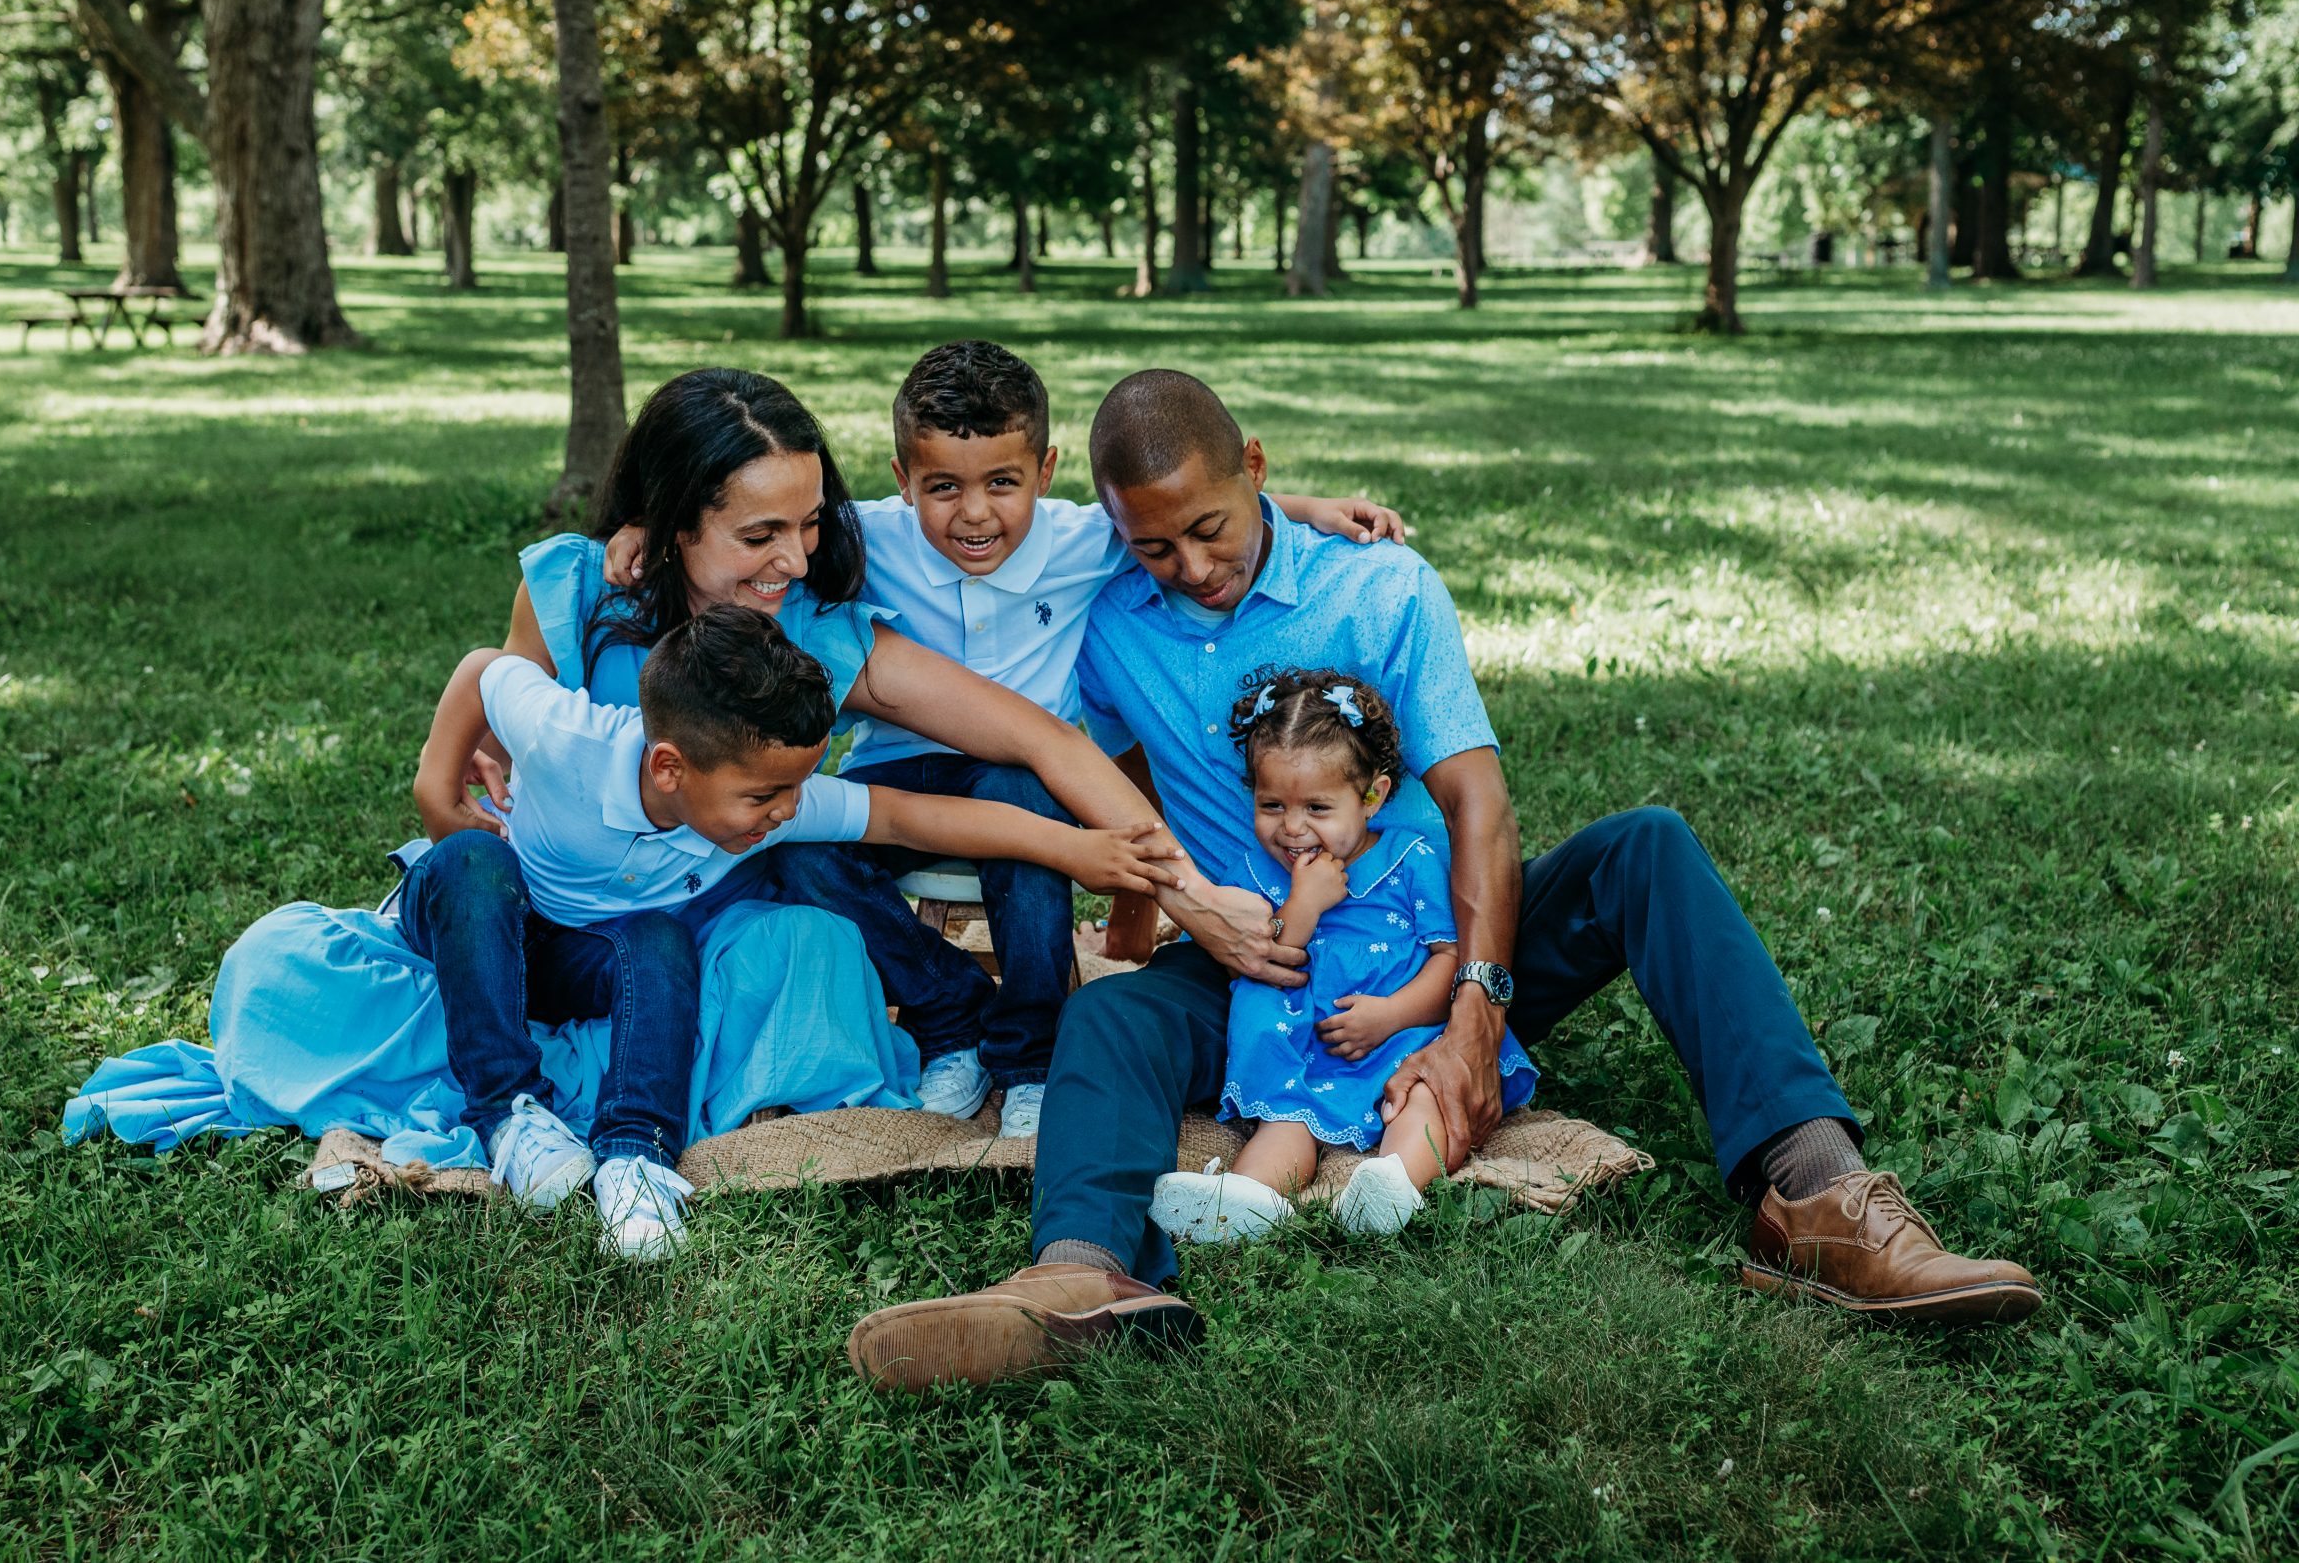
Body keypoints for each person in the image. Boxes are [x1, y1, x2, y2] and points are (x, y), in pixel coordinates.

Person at [847, 370, 2043, 1392]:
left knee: (1647, 847)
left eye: (1211, 527)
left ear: (1256, 467)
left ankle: (1820, 1199)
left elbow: (1478, 808)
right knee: (1109, 1009)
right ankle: (1077, 1278)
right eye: (1154, 544)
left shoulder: (1380, 589)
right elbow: (1103, 768)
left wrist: (1476, 1010)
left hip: (1427, 940)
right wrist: (1159, 915)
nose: (1192, 565)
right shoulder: (1109, 612)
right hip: (1259, 968)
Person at [597, 342, 1406, 1133]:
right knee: (795, 848)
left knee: (1026, 811)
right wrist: (640, 525)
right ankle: (951, 1013)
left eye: (1003, 484)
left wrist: (1301, 511)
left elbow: (1187, 506)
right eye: (943, 486)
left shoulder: (1084, 541)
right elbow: (740, 509)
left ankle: (1030, 1053)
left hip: (1029, 772)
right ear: (903, 482)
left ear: (1045, 474)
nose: (975, 512)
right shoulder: (851, 540)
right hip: (901, 774)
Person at [414, 367, 1225, 1127]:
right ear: (672, 521)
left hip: (709, 911)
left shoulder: (808, 627)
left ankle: (973, 1025)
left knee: (802, 852)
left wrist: (1192, 897)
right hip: (574, 900)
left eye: (807, 526)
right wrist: (445, 776)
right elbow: (504, 701)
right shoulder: (580, 587)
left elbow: (1037, 740)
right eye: (760, 533)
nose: (797, 561)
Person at [410, 604, 1182, 1256]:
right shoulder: (564, 734)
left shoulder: (770, 797)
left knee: (658, 938)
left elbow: (910, 815)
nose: (786, 808)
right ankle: (506, 1111)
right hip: (491, 919)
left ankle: (631, 1156)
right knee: (470, 859)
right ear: (671, 768)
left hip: (596, 953)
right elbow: (487, 666)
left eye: (797, 786)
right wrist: (437, 788)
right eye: (766, 795)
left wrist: (1078, 847)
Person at [1145, 670, 1536, 1244]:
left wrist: (1393, 1015)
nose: (1293, 828)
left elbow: (1450, 958)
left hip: (1406, 1039)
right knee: (1284, 1122)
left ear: (1372, 797)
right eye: (1272, 804)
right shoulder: (1248, 874)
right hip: (1303, 1050)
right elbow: (1249, 961)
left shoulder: (1411, 859)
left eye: (1318, 808)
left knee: (1427, 1099)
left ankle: (1394, 1183)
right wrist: (1303, 904)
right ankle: (1247, 1201)